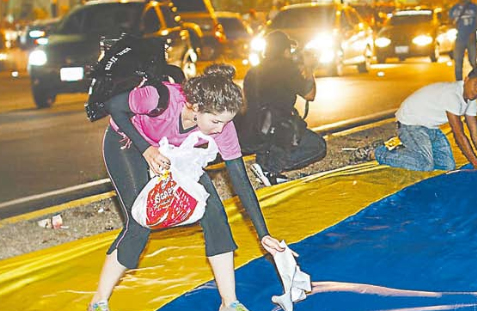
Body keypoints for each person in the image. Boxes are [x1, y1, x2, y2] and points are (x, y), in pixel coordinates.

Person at [89, 64, 284, 311]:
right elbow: (114, 107)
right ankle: (99, 301)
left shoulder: (222, 126)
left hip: (176, 151)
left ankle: (230, 302)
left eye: (226, 122)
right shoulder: (159, 98)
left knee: (215, 214)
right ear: (195, 107)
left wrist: (263, 233)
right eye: (215, 121)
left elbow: (240, 181)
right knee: (140, 222)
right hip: (128, 142)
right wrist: (146, 149)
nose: (220, 129)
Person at [353, 67, 477, 171]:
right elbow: (459, 135)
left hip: (429, 128)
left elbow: (475, 132)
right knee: (424, 164)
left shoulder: (472, 100)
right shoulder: (452, 95)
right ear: (466, 79)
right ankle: (377, 151)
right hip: (410, 124)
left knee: (447, 166)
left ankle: (407, 150)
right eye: (476, 85)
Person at [241, 31, 327, 185]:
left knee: (273, 130)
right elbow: (310, 95)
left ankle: (265, 166)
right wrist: (309, 68)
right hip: (278, 130)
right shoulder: (287, 68)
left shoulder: (253, 71)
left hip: (251, 132)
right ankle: (271, 169)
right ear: (286, 50)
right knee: (318, 146)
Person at [449, 0, 477, 81]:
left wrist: (473, 31)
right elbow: (450, 21)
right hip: (460, 39)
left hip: (471, 38)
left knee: (473, 62)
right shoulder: (454, 9)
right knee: (458, 62)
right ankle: (458, 83)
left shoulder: (474, 7)